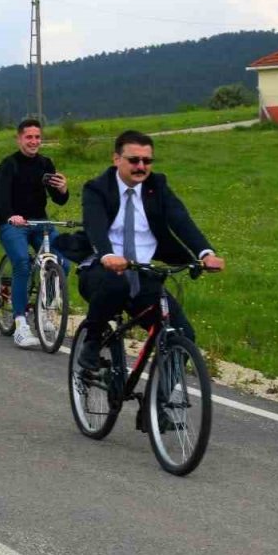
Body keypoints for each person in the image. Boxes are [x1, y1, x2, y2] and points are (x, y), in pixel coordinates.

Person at [75, 130, 224, 376]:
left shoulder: (157, 186)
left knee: (182, 333)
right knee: (116, 285)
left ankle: (160, 404)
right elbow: (95, 226)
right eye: (134, 160)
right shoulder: (97, 188)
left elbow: (180, 219)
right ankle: (91, 343)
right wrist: (107, 255)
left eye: (147, 161)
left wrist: (205, 253)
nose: (141, 166)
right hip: (101, 271)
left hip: (142, 274)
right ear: (116, 159)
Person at [0, 117, 69, 349]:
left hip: (40, 222)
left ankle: (45, 311)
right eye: (29, 137)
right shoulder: (10, 164)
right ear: (19, 139)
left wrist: (63, 189)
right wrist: (11, 216)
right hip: (13, 223)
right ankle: (20, 323)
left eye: (37, 137)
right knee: (22, 264)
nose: (34, 141)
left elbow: (59, 199)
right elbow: (1, 198)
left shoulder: (46, 164)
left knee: (62, 261)